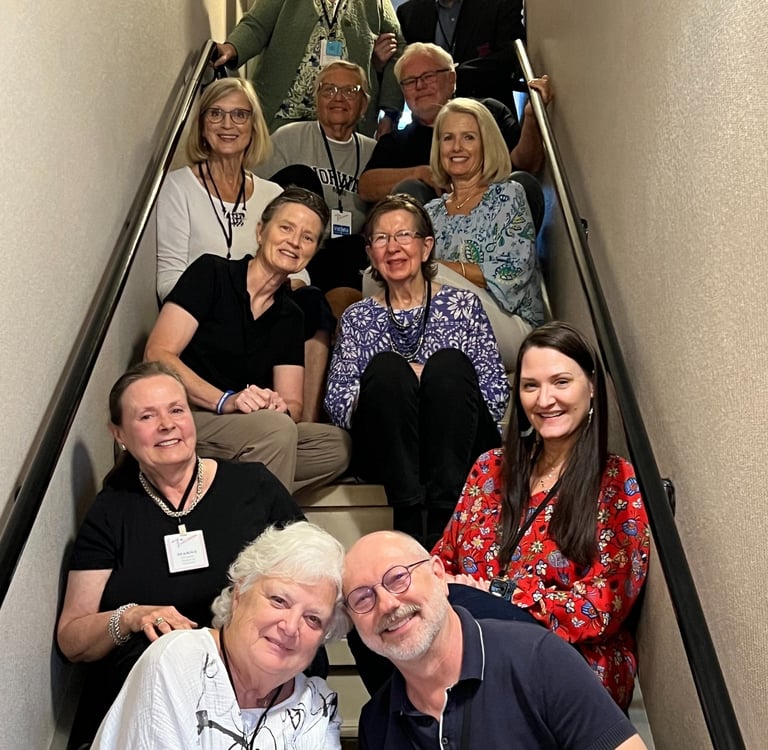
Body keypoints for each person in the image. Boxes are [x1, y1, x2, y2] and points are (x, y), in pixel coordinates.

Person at [57, 362, 306, 748]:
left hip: (257, 685)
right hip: (152, 701)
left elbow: (313, 577)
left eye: (176, 409)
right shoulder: (111, 511)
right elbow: (72, 638)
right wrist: (132, 616)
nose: (167, 424)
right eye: (146, 416)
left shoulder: (253, 485)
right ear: (119, 434)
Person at [433, 321, 651, 710]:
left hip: (564, 661)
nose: (544, 399)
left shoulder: (616, 481)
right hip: (472, 645)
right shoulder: (490, 468)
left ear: (592, 387)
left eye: (561, 382)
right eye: (530, 386)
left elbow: (601, 607)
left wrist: (500, 595)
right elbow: (442, 562)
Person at [343, 530, 649, 750]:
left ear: (438, 575)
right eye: (363, 598)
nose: (387, 604)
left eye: (398, 578)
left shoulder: (538, 659)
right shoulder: (376, 724)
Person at [324, 194, 508, 544]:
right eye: (381, 238)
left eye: (403, 235)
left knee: (448, 366)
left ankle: (444, 520)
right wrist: (404, 384)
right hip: (387, 451)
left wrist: (431, 381)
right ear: (371, 254)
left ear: (426, 248)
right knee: (387, 370)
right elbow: (337, 402)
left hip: (459, 445)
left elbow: (496, 393)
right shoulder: (357, 317)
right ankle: (407, 519)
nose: (393, 247)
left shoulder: (463, 305)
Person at [145, 188, 351, 493]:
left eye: (307, 237)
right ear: (260, 231)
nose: (294, 242)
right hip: (187, 415)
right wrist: (225, 400)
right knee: (276, 432)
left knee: (336, 446)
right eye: (286, 228)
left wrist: (277, 404)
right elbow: (158, 354)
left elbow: (293, 404)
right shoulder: (211, 273)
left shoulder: (291, 315)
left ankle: (228, 488)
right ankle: (258, 510)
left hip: (250, 429)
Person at [155, 78, 331, 422]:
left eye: (239, 115)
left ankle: (299, 419)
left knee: (310, 303)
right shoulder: (178, 186)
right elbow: (168, 280)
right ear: (202, 125)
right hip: (203, 311)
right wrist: (223, 294)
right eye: (216, 114)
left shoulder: (271, 193)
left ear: (253, 126)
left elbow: (301, 270)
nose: (227, 124)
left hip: (265, 310)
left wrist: (264, 290)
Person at [92, 522, 351, 749]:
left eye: (313, 618)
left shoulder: (316, 705)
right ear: (239, 594)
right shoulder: (180, 661)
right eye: (279, 600)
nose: (291, 627)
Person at [425, 97, 545, 368]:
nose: (457, 147)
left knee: (426, 276)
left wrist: (437, 269)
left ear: (486, 144)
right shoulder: (429, 213)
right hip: (443, 323)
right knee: (379, 276)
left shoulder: (508, 196)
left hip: (511, 323)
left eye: (468, 137)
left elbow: (510, 274)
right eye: (448, 138)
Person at [358, 42, 551, 209]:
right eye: (409, 81)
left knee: (522, 184)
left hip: (494, 224)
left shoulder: (490, 112)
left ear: (451, 79)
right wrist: (420, 173)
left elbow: (526, 165)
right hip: (430, 234)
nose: (419, 86)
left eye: (428, 76)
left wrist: (531, 117)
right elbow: (366, 187)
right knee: (410, 188)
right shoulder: (397, 141)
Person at [256, 61, 377, 293]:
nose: (338, 98)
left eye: (350, 91)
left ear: (364, 105)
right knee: (301, 177)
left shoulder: (374, 152)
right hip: (294, 250)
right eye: (329, 90)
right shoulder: (288, 138)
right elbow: (256, 199)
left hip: (346, 256)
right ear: (316, 99)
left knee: (355, 248)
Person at [212, 0, 405, 137]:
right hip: (283, 116)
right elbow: (256, 25)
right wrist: (231, 48)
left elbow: (398, 47)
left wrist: (390, 112)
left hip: (346, 124)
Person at [396, 0, 525, 111]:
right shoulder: (409, 13)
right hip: (429, 124)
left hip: (489, 117)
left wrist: (451, 74)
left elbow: (511, 58)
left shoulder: (501, 3)